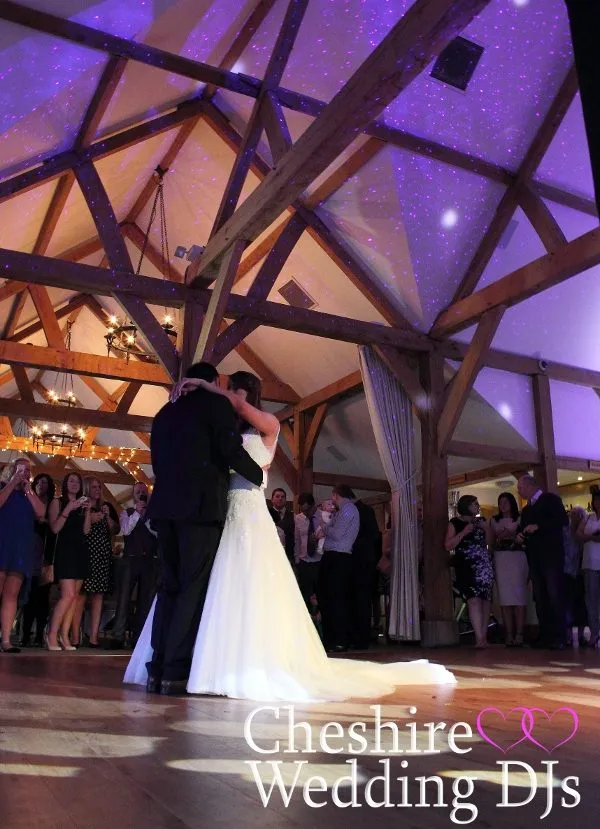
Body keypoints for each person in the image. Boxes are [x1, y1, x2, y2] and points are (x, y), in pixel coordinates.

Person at [125, 371, 455, 701]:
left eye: (235, 392)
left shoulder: (267, 423)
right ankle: (194, 660)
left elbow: (236, 412)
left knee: (218, 585)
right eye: (226, 391)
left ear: (248, 395)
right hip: (220, 512)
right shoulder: (220, 427)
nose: (228, 397)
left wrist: (207, 387)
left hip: (247, 510)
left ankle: (199, 664)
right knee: (204, 588)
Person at [135, 362, 264, 696]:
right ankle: (175, 673)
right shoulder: (216, 405)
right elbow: (229, 449)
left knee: (168, 588)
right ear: (215, 382)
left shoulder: (165, 412)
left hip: (165, 509)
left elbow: (157, 462)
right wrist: (258, 474)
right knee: (192, 588)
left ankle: (156, 670)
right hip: (200, 509)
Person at [516, 474, 568, 649]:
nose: (519, 491)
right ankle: (545, 635)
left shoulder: (550, 500)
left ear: (531, 486)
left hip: (552, 557)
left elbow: (562, 520)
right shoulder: (526, 510)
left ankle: (560, 636)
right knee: (540, 597)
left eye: (521, 487)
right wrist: (521, 536)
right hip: (535, 558)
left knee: (555, 595)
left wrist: (538, 526)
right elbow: (524, 529)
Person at [0, 458, 45, 652]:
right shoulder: (3, 486)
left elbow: (41, 513)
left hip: (21, 549)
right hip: (3, 544)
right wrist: (12, 483)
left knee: (11, 595)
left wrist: (28, 490)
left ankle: (6, 640)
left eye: (28, 470)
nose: (24, 472)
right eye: (20, 469)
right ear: (12, 470)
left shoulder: (31, 494)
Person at [445, 494, 493, 649]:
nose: (478, 506)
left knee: (486, 600)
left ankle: (484, 637)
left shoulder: (482, 522)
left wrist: (487, 529)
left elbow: (491, 544)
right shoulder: (455, 523)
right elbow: (448, 545)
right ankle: (479, 638)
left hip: (484, 566)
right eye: (474, 503)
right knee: (473, 599)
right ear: (466, 506)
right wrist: (464, 532)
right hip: (466, 566)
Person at [490, 492, 528, 647]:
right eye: (500, 501)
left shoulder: (520, 519)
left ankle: (520, 634)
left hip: (518, 557)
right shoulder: (493, 520)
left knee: (519, 597)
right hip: (501, 559)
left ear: (512, 502)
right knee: (505, 599)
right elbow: (491, 541)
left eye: (506, 501)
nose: (503, 504)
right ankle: (508, 634)